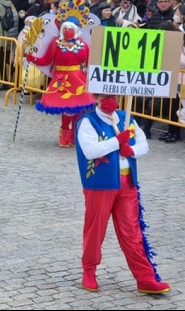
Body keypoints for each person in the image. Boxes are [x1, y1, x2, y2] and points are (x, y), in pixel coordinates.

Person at [75, 93, 171, 294]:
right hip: (100, 185)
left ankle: (145, 277)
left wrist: (132, 150)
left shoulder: (127, 118)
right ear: (97, 98)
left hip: (127, 183)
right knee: (95, 230)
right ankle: (89, 270)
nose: (111, 100)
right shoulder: (87, 121)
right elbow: (90, 151)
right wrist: (117, 142)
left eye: (113, 96)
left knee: (132, 232)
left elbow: (143, 144)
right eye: (105, 96)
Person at [27, 0, 95, 147]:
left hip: (80, 79)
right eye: (65, 28)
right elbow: (46, 60)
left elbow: (90, 62)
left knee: (79, 107)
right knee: (67, 109)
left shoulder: (83, 44)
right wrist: (32, 57)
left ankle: (76, 136)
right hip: (62, 79)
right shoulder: (56, 43)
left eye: (71, 28)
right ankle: (64, 134)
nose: (67, 31)